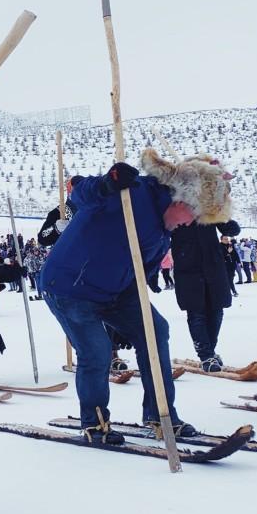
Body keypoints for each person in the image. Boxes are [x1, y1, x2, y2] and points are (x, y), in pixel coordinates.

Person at [38, 161, 198, 444]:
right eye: (194, 212)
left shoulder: (166, 226)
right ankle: (94, 423)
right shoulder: (132, 193)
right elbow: (77, 188)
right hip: (70, 285)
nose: (192, 221)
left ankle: (160, 413)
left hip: (116, 290)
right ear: (179, 199)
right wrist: (107, 183)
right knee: (97, 351)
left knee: (154, 331)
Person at [171, 219, 242, 372]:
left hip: (213, 265)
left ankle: (210, 351)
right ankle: (206, 355)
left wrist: (226, 219)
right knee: (196, 312)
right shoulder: (173, 204)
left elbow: (230, 228)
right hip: (188, 265)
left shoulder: (209, 204)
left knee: (217, 310)